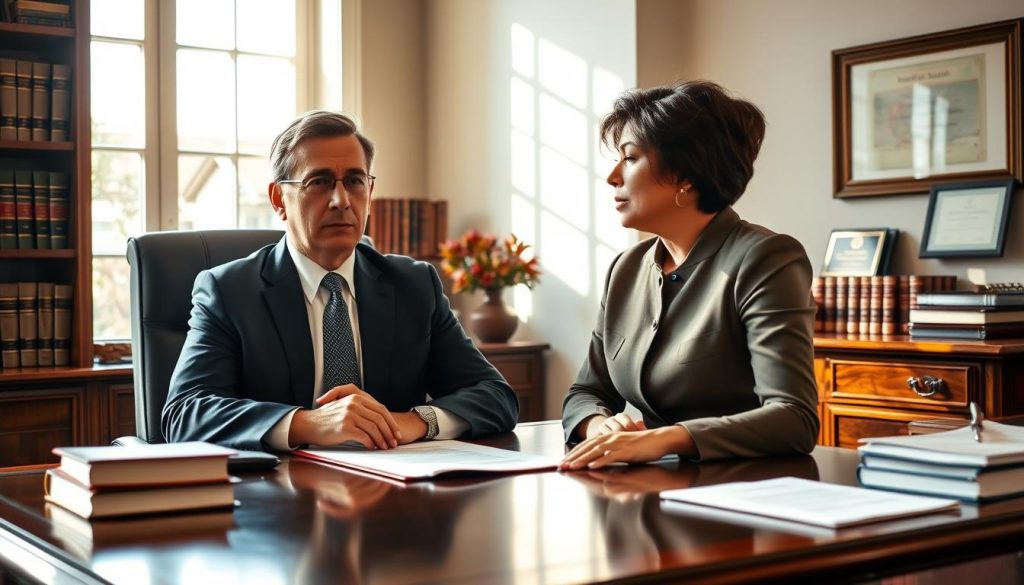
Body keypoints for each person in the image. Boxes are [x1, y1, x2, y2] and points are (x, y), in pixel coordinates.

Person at [163, 110, 518, 452]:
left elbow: (495, 396)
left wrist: (412, 421)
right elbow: (185, 414)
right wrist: (307, 423)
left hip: (393, 493)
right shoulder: (229, 291)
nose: (341, 200)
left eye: (354, 181)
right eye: (318, 182)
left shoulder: (414, 285)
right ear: (278, 199)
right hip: (279, 497)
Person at [560, 81, 818, 468]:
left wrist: (663, 440)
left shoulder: (766, 258)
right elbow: (585, 390)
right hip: (648, 489)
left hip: (741, 490)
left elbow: (794, 418)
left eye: (630, 159)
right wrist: (600, 426)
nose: (613, 176)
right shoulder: (626, 268)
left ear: (687, 175)